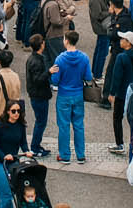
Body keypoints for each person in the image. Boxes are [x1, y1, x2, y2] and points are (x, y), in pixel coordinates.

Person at [50, 29, 94, 164]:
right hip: (78, 94)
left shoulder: (60, 59)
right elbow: (88, 77)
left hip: (64, 95)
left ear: (66, 41)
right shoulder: (84, 58)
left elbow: (55, 81)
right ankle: (81, 155)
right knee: (78, 125)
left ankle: (65, 155)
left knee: (64, 126)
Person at [25, 34, 54, 157]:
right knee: (41, 122)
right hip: (39, 95)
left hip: (36, 94)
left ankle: (36, 145)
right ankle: (35, 147)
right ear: (41, 45)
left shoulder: (32, 58)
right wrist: (49, 72)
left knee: (40, 121)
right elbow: (38, 80)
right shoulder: (37, 61)